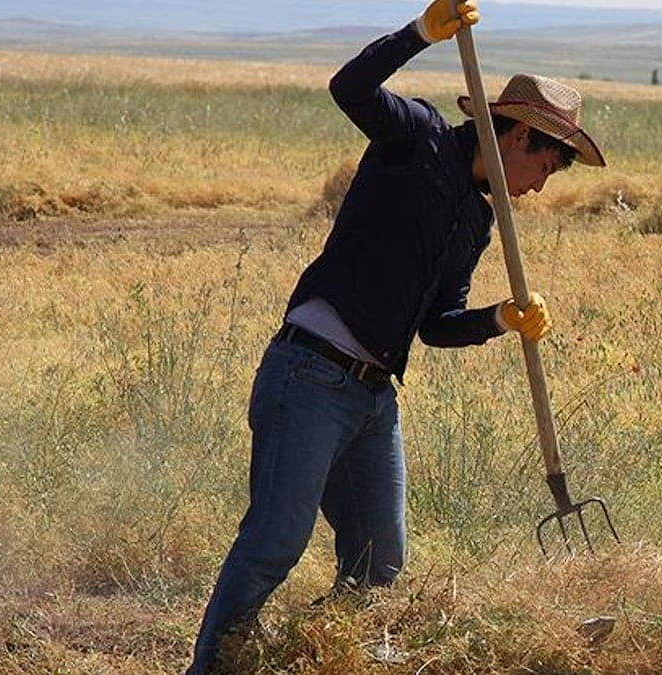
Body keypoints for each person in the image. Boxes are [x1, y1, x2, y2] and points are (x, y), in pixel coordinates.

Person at [185, 0, 606, 670]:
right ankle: (210, 667)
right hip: (310, 374)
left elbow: (436, 325)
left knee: (380, 565)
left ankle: (303, 656)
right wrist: (416, 35)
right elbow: (348, 88)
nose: (539, 188)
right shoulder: (419, 137)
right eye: (547, 168)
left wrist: (498, 319)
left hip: (373, 398)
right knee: (274, 542)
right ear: (521, 137)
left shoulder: (477, 221)